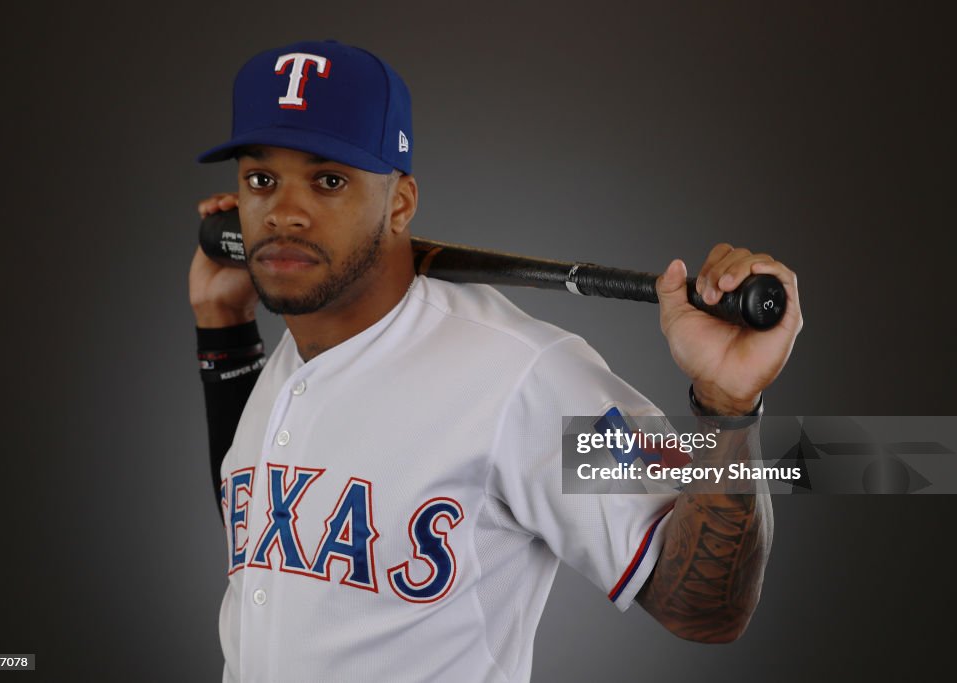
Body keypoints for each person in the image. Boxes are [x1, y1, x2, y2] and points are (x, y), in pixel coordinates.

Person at [189, 39, 802, 683]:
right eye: (261, 179)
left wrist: (727, 410)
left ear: (398, 203)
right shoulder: (298, 348)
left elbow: (704, 608)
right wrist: (223, 330)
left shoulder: (523, 379)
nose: (283, 211)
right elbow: (260, 535)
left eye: (329, 179)